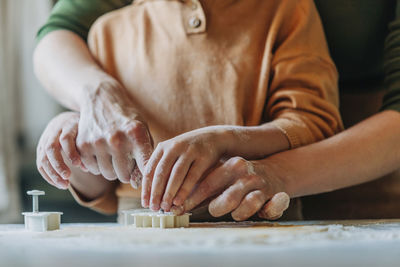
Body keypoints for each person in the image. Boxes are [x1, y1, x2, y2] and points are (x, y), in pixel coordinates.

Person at [34, 0, 342, 221]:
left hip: (261, 232)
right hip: (141, 246)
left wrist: (226, 139)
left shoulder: (288, 9)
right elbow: (101, 183)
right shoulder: (107, 33)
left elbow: (316, 125)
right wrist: (72, 143)